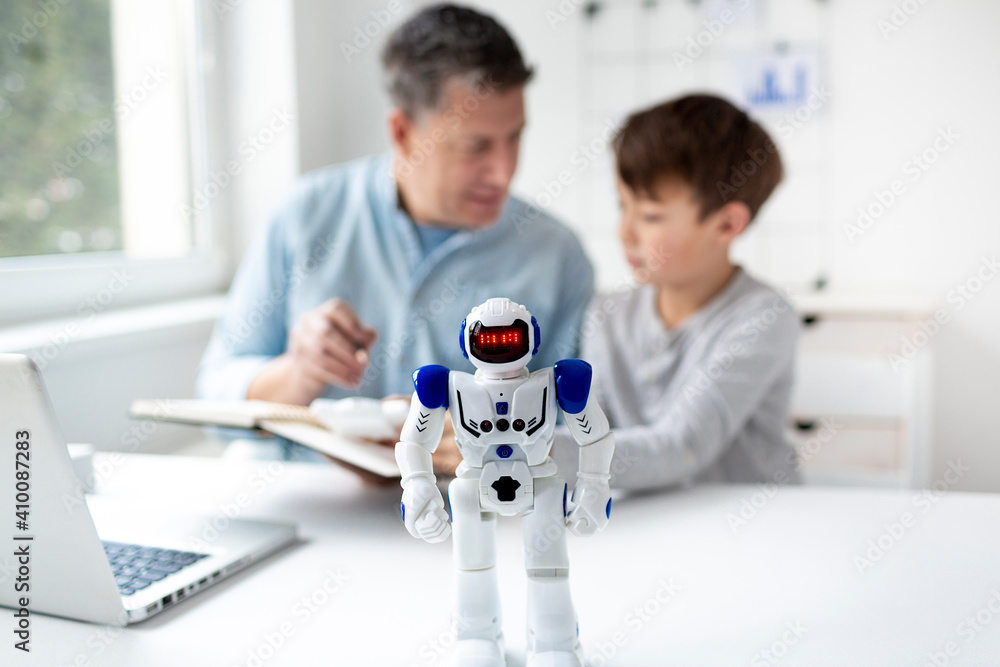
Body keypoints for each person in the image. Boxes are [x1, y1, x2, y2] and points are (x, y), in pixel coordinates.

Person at [194, 4, 594, 469]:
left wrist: (496, 443)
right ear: (402, 132)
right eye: (476, 147)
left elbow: (580, 424)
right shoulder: (305, 216)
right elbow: (215, 397)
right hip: (314, 498)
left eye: (515, 137)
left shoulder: (557, 255)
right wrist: (299, 373)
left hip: (473, 504)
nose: (504, 172)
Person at [554, 93, 802, 491]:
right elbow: (588, 432)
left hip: (754, 517)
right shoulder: (607, 313)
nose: (625, 232)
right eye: (622, 206)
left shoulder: (765, 318)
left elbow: (683, 446)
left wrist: (537, 453)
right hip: (650, 517)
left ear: (726, 225)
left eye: (650, 215)